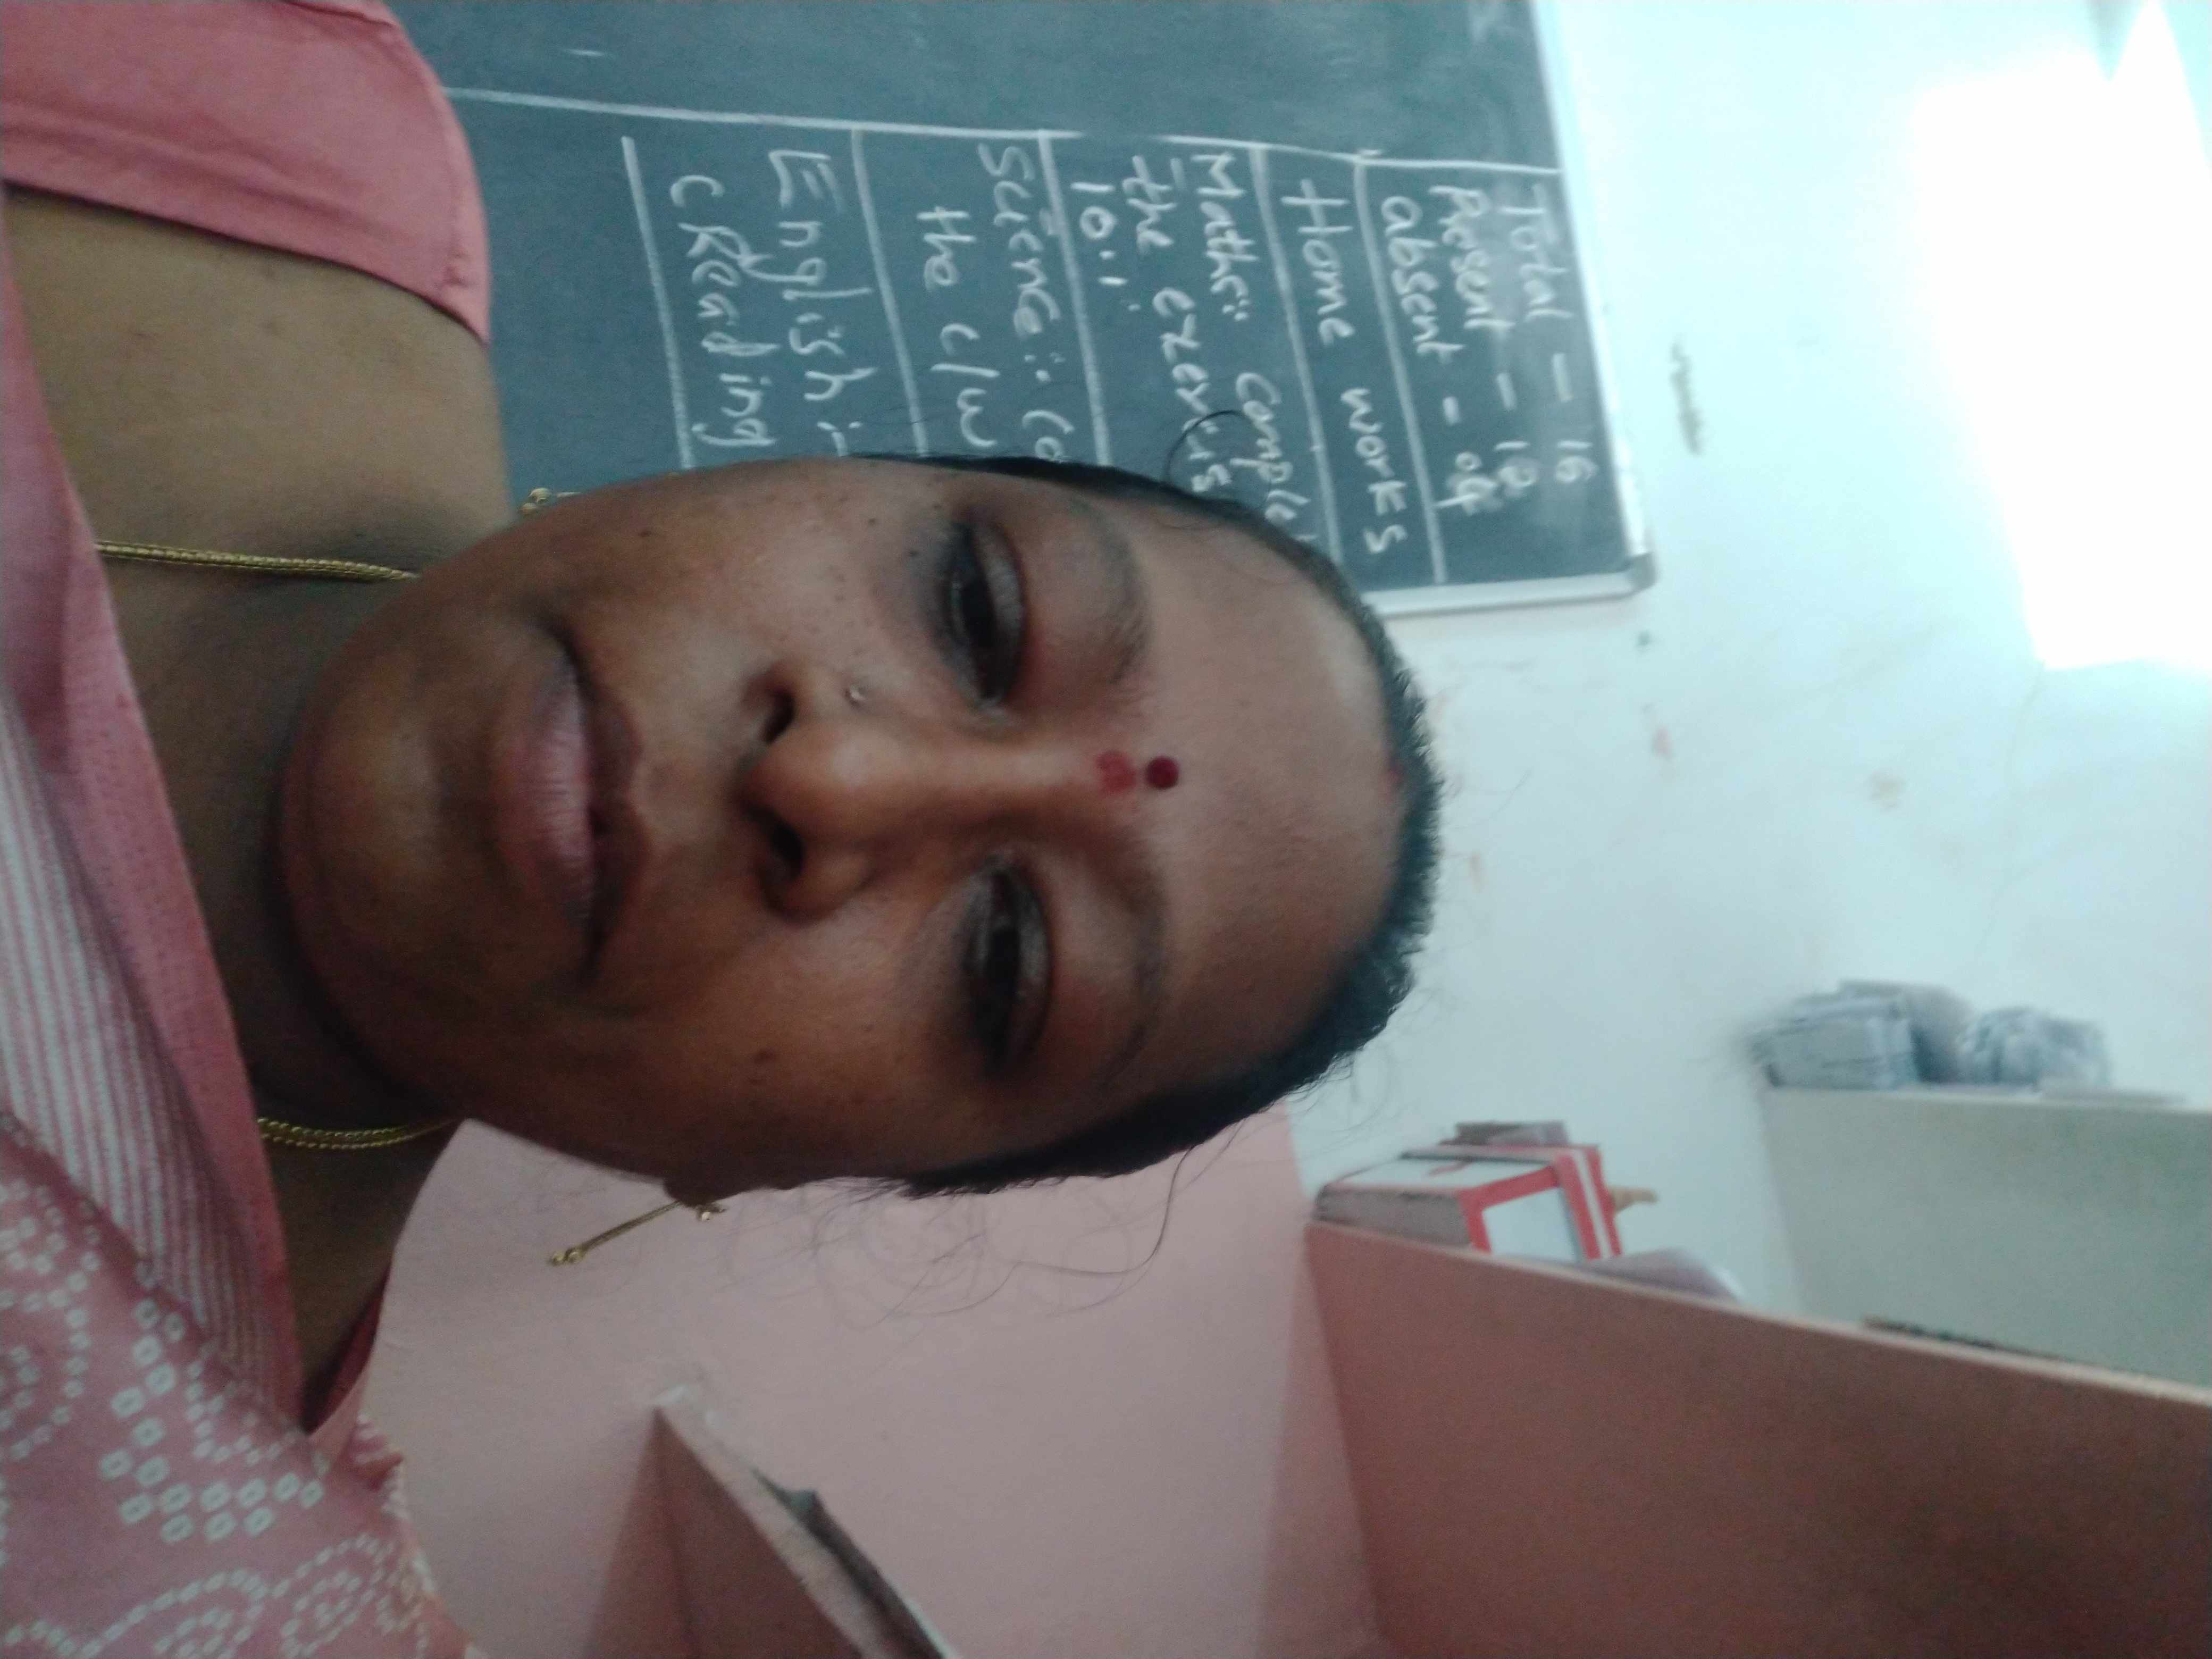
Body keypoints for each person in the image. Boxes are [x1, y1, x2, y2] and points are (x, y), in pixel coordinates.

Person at [0, 2, 1439, 1650]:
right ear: (820, 465)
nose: (833, 783)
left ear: (796, 1171)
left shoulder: (150, 1575)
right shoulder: (251, 93)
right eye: (973, 608)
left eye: (1002, 961)